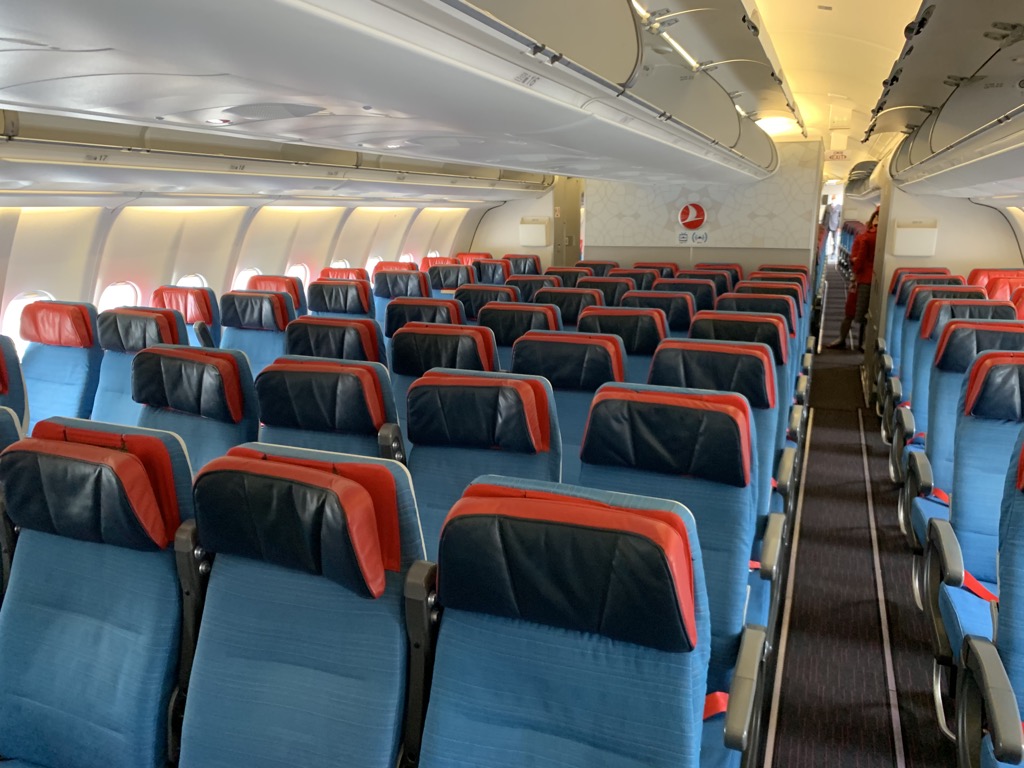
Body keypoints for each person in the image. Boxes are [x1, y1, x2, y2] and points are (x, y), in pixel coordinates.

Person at [827, 208, 878, 352]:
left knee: (854, 311)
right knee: (862, 313)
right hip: (866, 278)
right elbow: (856, 258)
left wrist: (855, 269)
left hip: (863, 278)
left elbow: (857, 259)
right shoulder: (868, 238)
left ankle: (845, 340)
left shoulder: (867, 237)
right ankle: (857, 343)